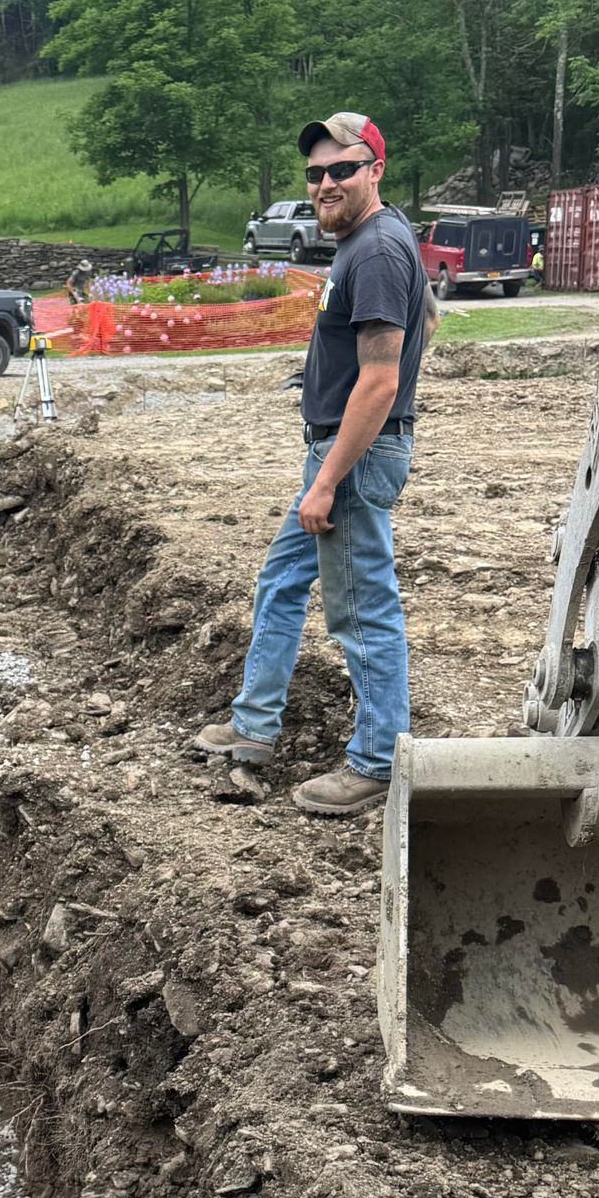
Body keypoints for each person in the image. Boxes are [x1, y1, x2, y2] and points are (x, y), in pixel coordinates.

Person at [193, 111, 434, 817]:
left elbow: (382, 381)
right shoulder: (368, 245)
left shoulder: (379, 250)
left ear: (375, 171)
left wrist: (328, 479)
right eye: (316, 174)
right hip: (338, 450)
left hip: (353, 456)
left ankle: (379, 762)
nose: (325, 183)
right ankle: (254, 721)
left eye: (342, 169)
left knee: (361, 612)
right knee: (281, 580)